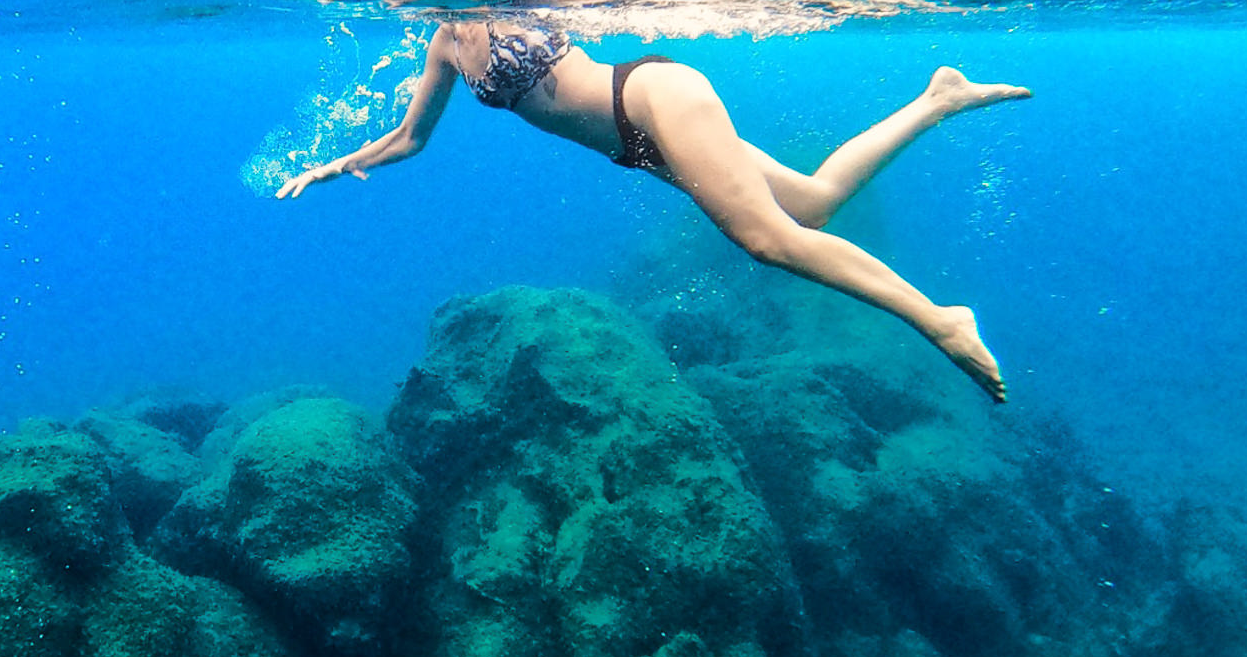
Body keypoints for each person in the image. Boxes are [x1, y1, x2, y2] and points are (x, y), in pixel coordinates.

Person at [275, 20, 1029, 402]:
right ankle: (938, 100)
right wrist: (332, 166)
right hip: (635, 145)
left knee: (769, 240)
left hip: (652, 96)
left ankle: (937, 318)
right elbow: (410, 138)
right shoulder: (443, 45)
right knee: (813, 202)